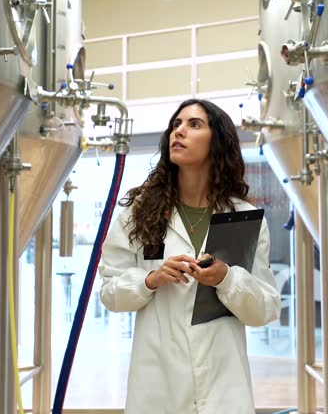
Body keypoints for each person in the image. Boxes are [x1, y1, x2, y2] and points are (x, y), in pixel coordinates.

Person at [99, 99, 281, 414]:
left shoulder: (244, 217)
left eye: (194, 124)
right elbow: (110, 294)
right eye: (176, 124)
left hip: (224, 388)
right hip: (158, 387)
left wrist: (227, 278)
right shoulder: (138, 213)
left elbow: (264, 309)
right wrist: (150, 280)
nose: (178, 131)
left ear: (218, 142)